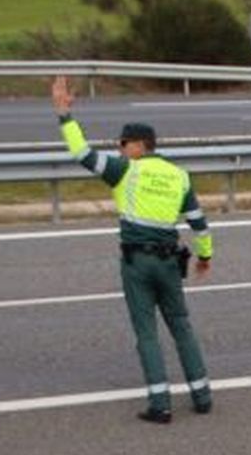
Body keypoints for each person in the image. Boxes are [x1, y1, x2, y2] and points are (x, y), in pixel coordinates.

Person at [51, 76, 214, 423]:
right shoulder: (179, 175)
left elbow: (82, 154)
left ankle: (160, 404)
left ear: (140, 145)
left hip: (137, 262)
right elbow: (199, 223)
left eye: (124, 142)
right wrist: (205, 257)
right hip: (171, 262)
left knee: (146, 332)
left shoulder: (126, 171)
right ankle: (202, 396)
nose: (119, 147)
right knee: (182, 325)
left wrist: (65, 116)